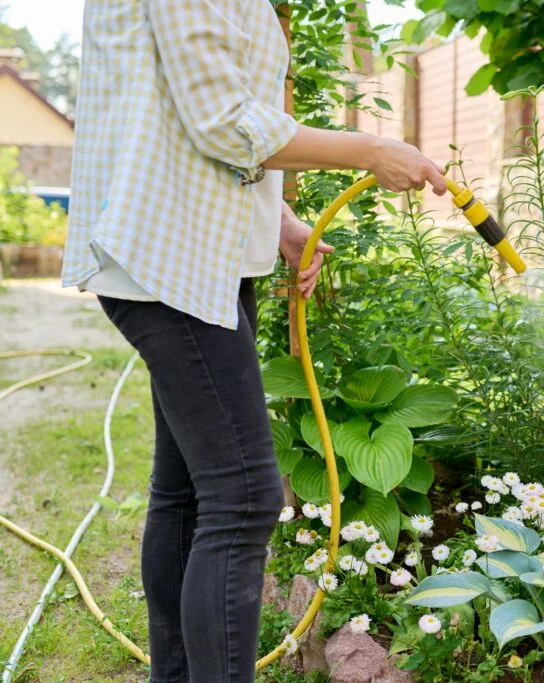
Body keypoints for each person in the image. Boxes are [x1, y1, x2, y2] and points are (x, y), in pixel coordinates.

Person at [61, 1, 447, 681]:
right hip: (165, 258)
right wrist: (369, 148)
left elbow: (181, 113)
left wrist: (280, 220)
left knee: (186, 490)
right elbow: (220, 122)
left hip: (201, 251)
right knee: (242, 497)